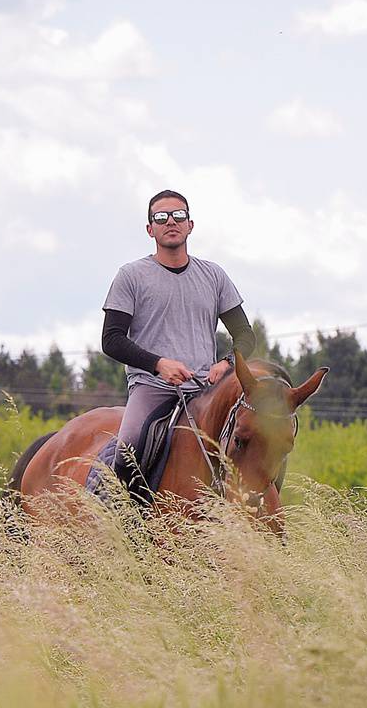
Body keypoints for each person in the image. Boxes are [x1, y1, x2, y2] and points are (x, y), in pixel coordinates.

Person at [92, 188, 256, 498]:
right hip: (152, 388)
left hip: (205, 389)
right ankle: (119, 517)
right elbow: (111, 340)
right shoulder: (131, 276)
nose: (171, 221)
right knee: (128, 449)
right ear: (150, 229)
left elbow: (246, 336)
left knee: (258, 442)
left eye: (179, 215)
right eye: (161, 217)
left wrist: (227, 364)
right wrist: (159, 364)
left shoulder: (214, 275)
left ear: (190, 225)